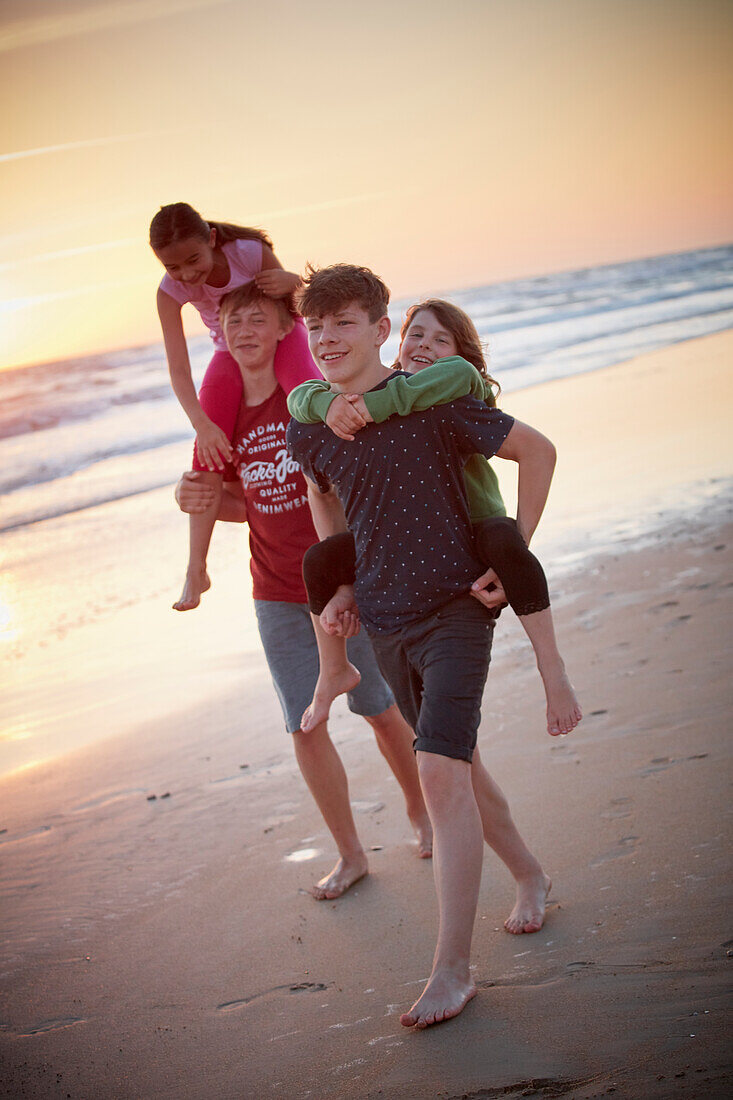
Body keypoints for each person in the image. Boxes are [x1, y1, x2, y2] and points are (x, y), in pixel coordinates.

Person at [287, 264, 564, 1029]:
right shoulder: (313, 425)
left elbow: (537, 452)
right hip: (384, 622)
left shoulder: (439, 402)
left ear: (381, 330)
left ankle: (451, 971)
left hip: (453, 612)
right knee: (463, 773)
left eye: (344, 323)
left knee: (439, 775)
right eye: (315, 327)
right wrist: (341, 586)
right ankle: (531, 877)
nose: (327, 339)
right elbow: (322, 498)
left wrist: (510, 563)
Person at [174, 281, 433, 901]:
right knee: (303, 724)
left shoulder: (307, 402)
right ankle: (350, 855)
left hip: (342, 583)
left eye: (258, 320)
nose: (245, 332)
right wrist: (201, 498)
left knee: (379, 708)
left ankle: (422, 814)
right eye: (233, 323)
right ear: (222, 336)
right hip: (274, 592)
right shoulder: (224, 417)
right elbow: (248, 501)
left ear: (283, 330)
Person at [287, 298, 581, 737]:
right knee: (319, 560)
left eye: (442, 339)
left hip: (475, 527)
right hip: (402, 540)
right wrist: (321, 402)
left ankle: (550, 664)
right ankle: (334, 668)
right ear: (396, 343)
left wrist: (517, 546)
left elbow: (461, 378)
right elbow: (304, 400)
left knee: (505, 541)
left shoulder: (453, 386)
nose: (425, 345)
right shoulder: (379, 395)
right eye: (417, 335)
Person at [150, 201, 318, 612]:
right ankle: (196, 568)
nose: (188, 275)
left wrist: (296, 281)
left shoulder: (248, 251)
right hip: (227, 346)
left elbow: (296, 306)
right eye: (174, 268)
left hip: (283, 330)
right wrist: (202, 425)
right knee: (206, 449)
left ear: (211, 238)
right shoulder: (169, 292)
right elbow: (178, 369)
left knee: (311, 404)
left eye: (193, 260)